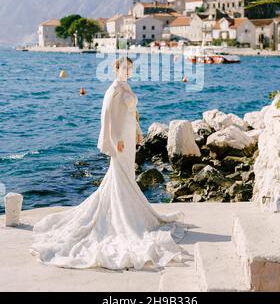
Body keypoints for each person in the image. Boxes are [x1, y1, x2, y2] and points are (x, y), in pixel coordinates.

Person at [30, 56, 188, 270]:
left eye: (130, 68)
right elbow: (109, 118)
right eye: (124, 68)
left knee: (127, 176)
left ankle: (131, 211)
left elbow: (133, 114)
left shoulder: (126, 86)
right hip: (121, 140)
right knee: (120, 174)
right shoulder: (113, 89)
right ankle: (123, 217)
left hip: (129, 137)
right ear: (115, 69)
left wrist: (138, 132)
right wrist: (116, 141)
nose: (128, 71)